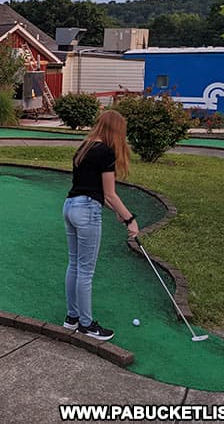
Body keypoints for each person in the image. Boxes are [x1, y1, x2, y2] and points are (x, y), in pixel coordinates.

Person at [62, 110, 139, 341]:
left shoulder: (84, 147)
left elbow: (96, 192)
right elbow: (110, 194)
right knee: (86, 270)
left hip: (70, 206)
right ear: (115, 131)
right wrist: (130, 219)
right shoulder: (105, 152)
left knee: (74, 264)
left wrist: (116, 212)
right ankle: (86, 325)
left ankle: (72, 318)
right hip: (86, 211)